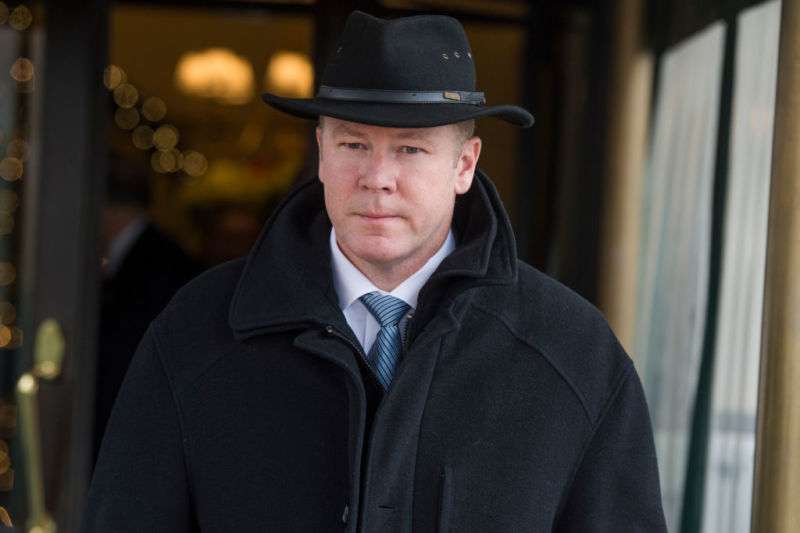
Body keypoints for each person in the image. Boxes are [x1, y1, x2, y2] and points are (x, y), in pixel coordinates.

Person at [83, 11, 667, 532]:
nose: (376, 177)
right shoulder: (196, 330)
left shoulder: (572, 351)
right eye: (354, 144)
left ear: (464, 165)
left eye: (410, 149)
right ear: (320, 151)